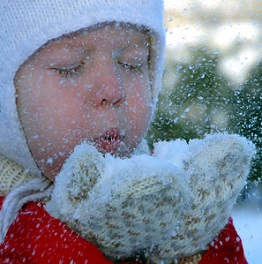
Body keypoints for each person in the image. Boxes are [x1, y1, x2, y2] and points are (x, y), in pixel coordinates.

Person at [0, 1, 249, 263]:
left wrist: (194, 247)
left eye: (132, 63)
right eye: (70, 67)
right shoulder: (11, 231)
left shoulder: (172, 200)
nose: (113, 90)